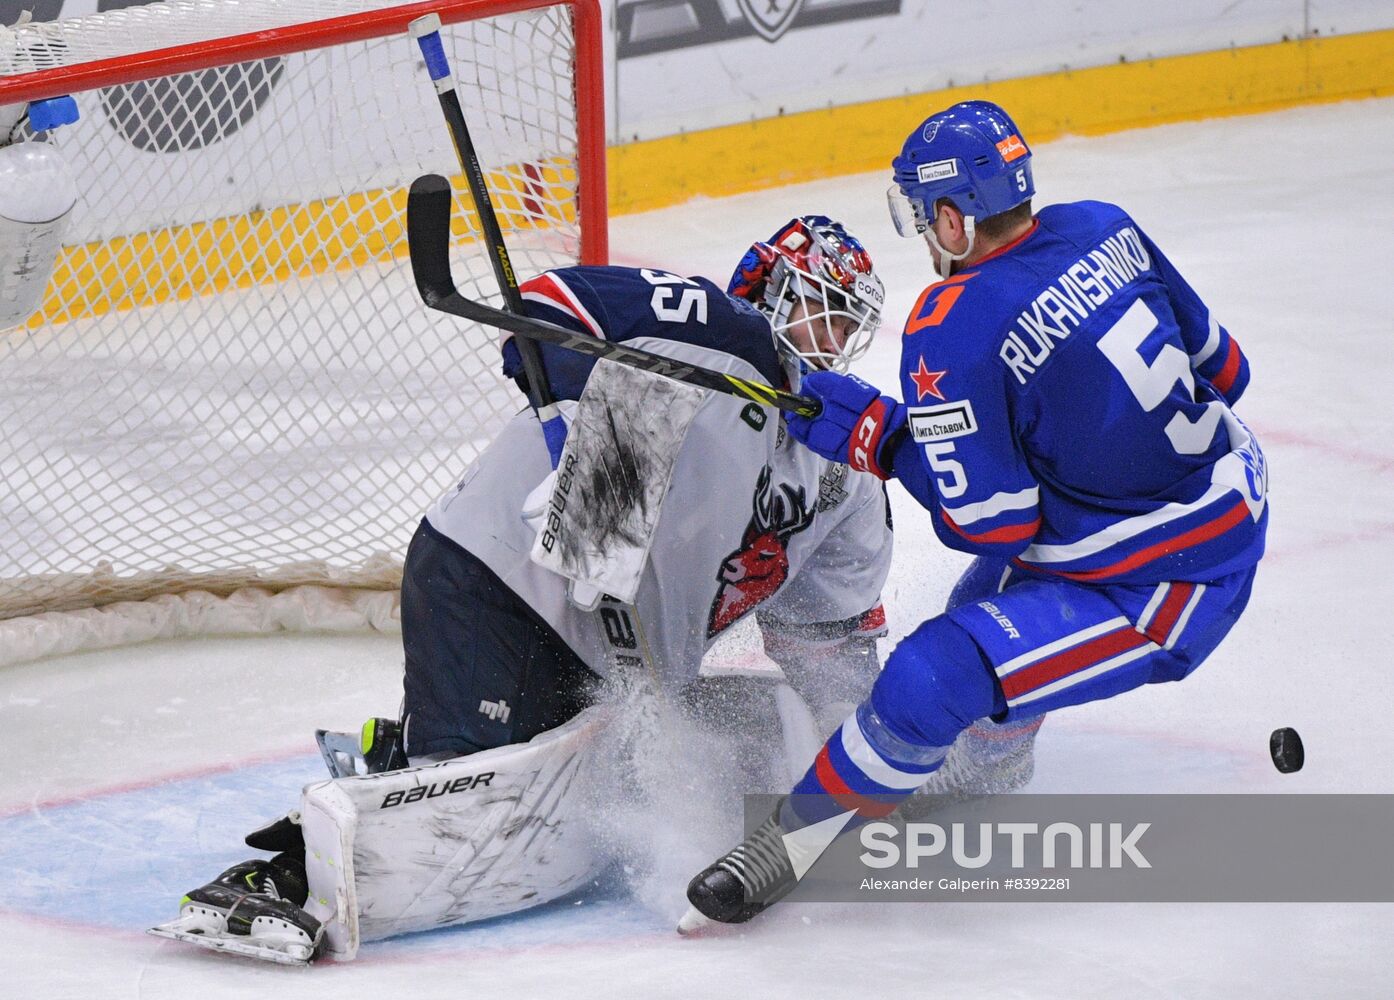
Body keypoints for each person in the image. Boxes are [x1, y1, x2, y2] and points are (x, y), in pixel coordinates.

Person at [153, 215, 898, 964]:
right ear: (766, 289)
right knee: (460, 801)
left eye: (847, 326)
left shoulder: (850, 476)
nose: (830, 343)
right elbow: (550, 306)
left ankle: (400, 746)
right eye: (820, 310)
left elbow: (831, 656)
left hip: (617, 654)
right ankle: (277, 879)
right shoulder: (714, 330)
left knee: (711, 744)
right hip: (499, 576)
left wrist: (884, 769)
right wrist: (585, 431)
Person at [683, 100, 1269, 929]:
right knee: (981, 608)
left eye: (925, 219)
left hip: (1172, 585)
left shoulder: (953, 324)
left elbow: (989, 524)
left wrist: (881, 437)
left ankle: (787, 846)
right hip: (1228, 489)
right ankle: (989, 768)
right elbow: (1229, 371)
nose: (925, 236)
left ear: (954, 221)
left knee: (935, 672)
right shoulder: (1107, 224)